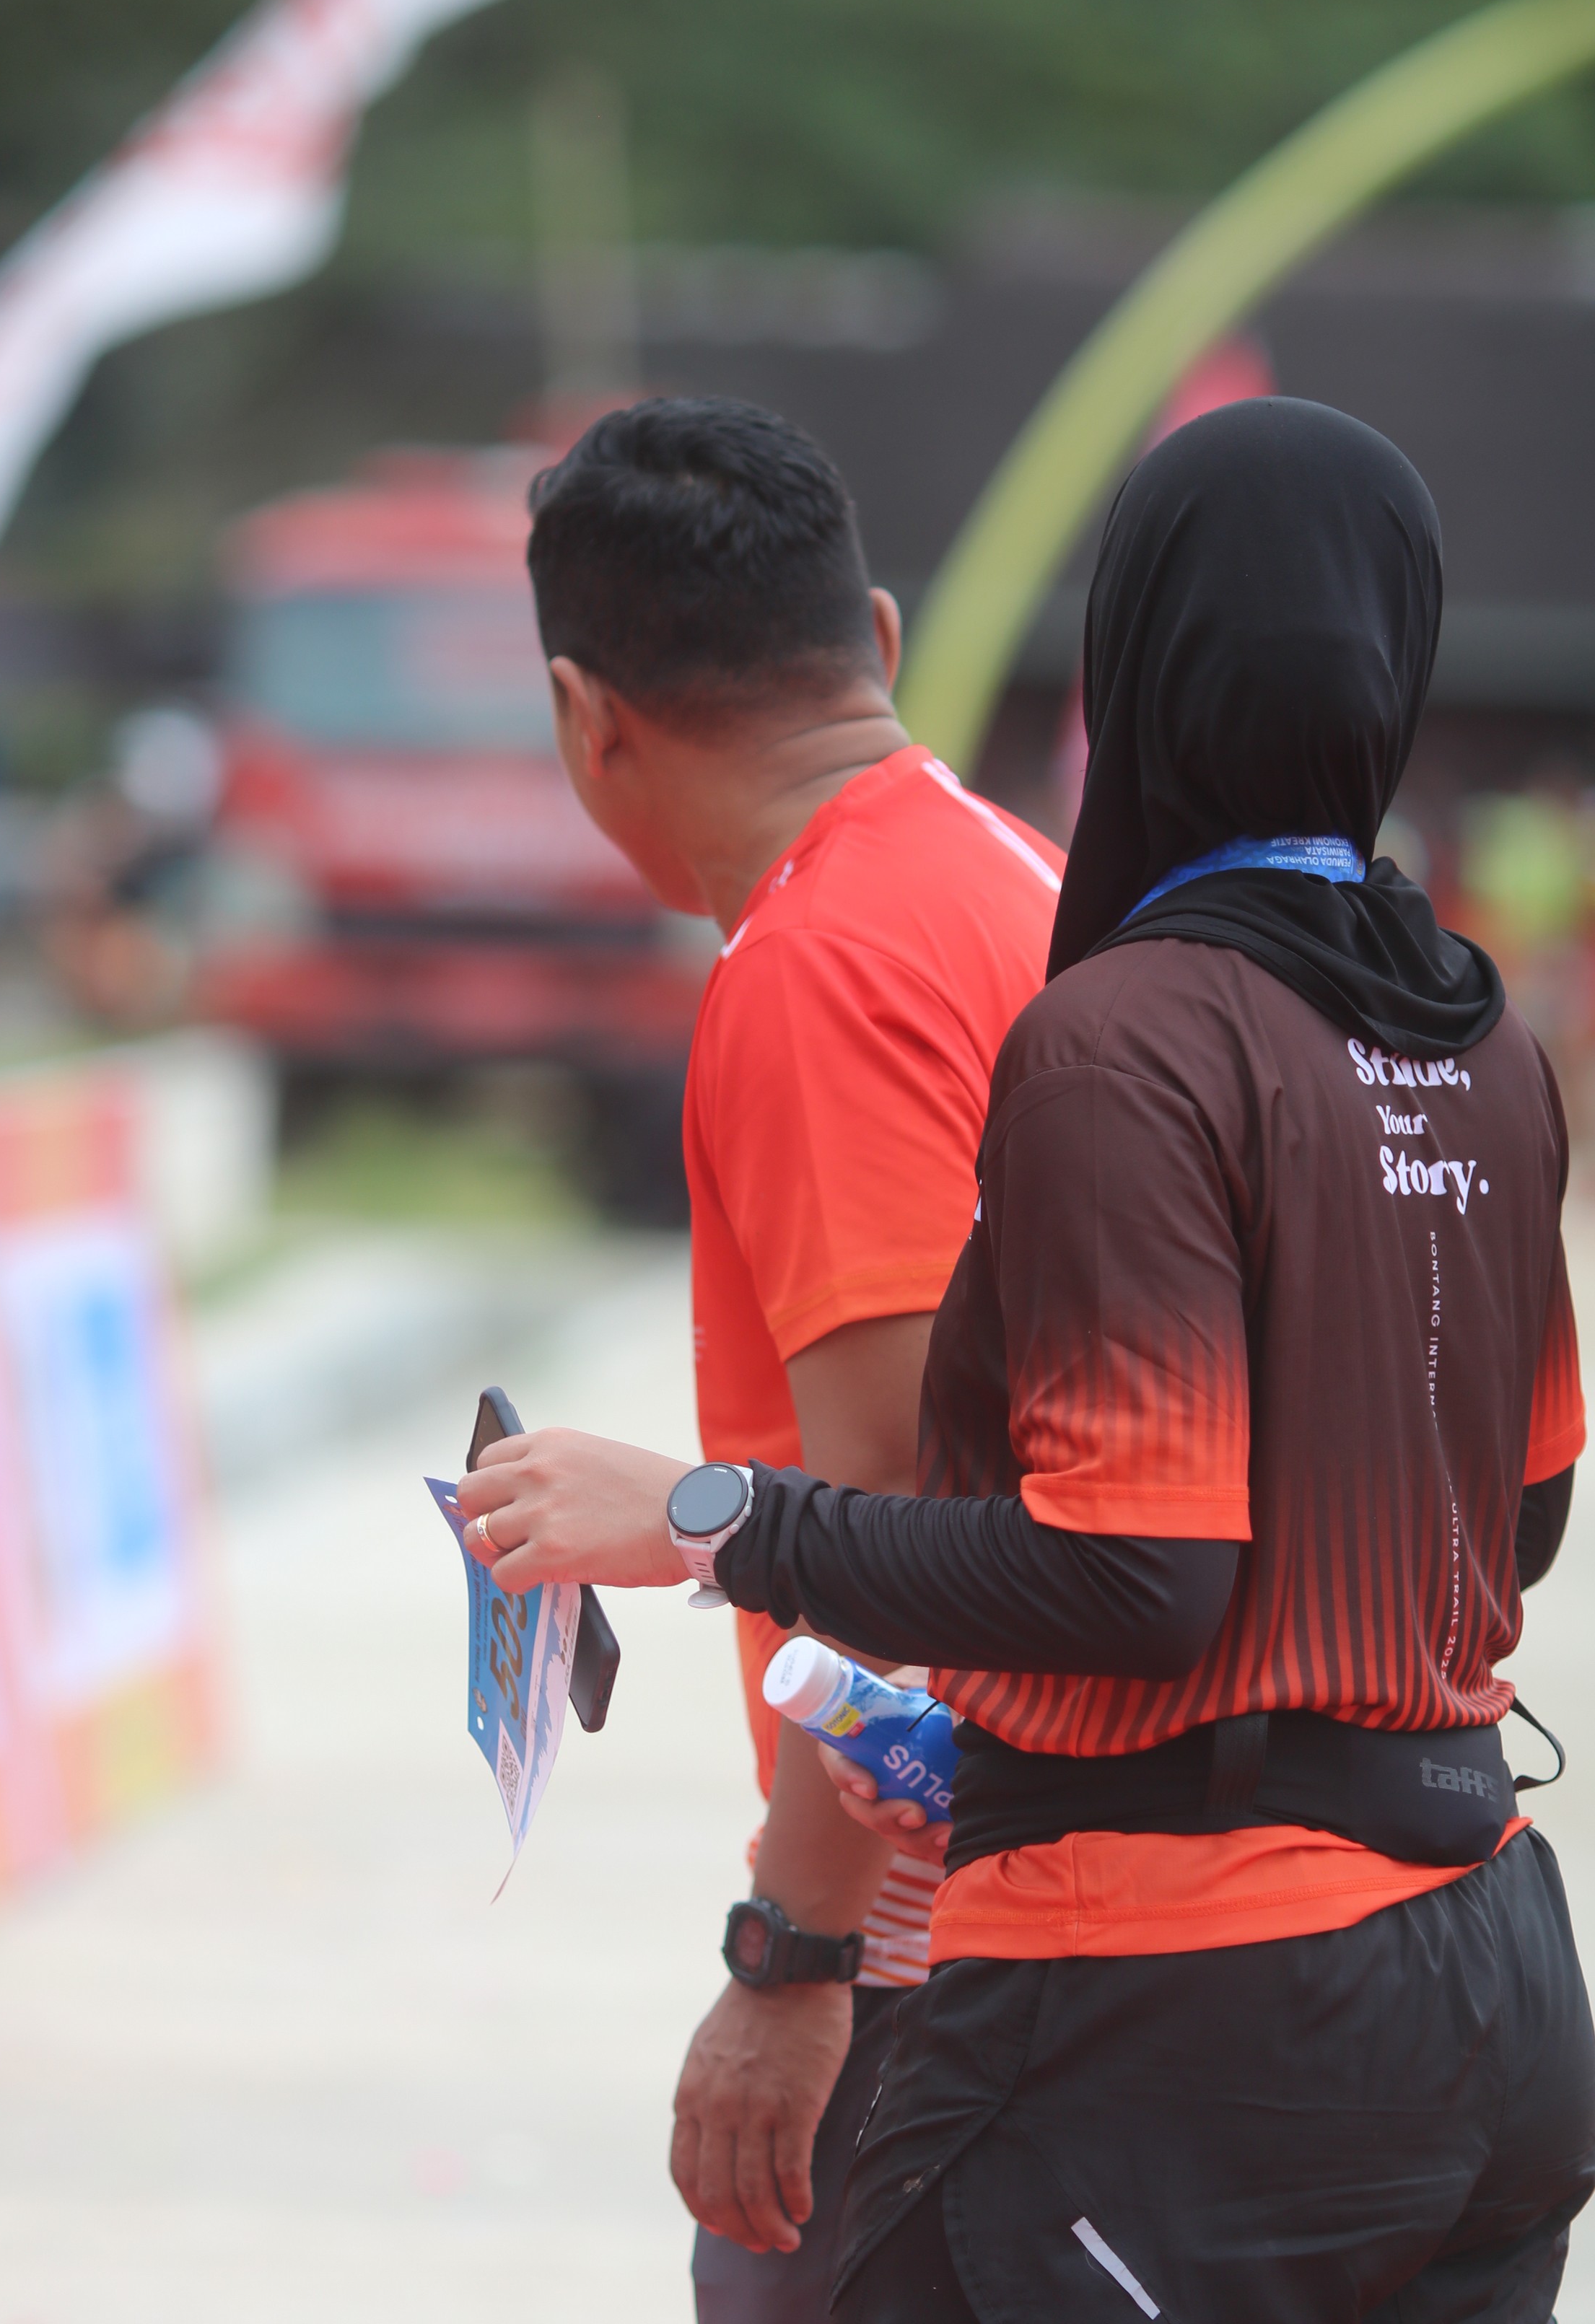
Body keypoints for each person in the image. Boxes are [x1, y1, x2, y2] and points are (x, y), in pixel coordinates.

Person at [461, 397, 1595, 2321]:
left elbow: (1103, 1559)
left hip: (1173, 1995)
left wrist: (707, 1532)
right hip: (1485, 1958)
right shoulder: (1476, 1041)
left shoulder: (1093, 1021)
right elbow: (1519, 1507)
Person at [522, 397, 1062, 2317]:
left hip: (947, 1941)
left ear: (589, 718)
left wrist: (798, 1953)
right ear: (882, 639)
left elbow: (902, 1512)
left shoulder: (819, 964)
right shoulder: (1029, 878)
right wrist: (681, 1513)